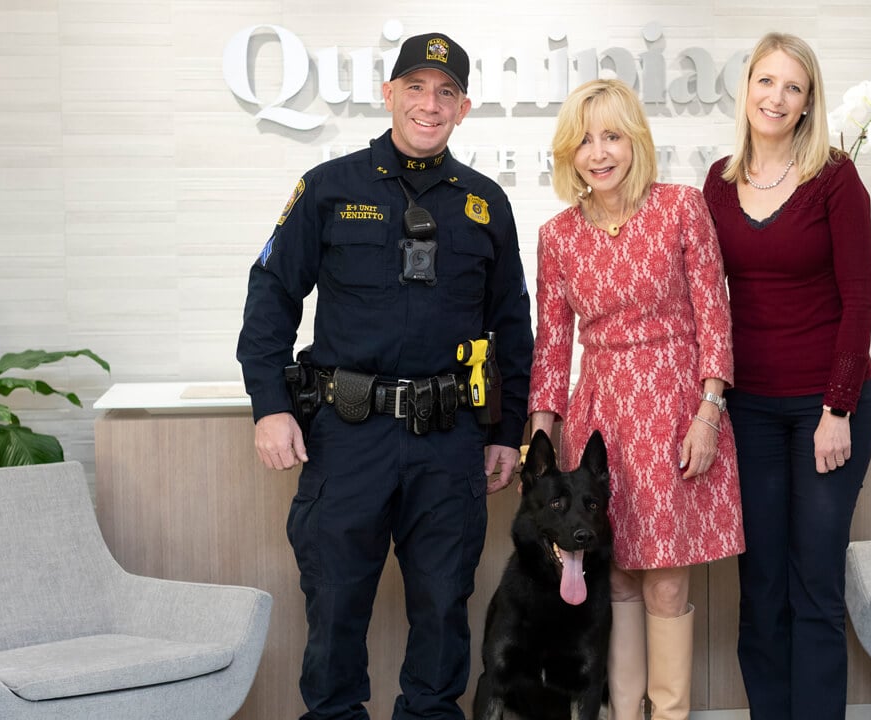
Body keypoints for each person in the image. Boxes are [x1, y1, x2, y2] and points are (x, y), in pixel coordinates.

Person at [235, 32, 533, 720]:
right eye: (417, 87)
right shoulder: (329, 187)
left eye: (446, 92)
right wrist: (270, 405)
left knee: (441, 608)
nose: (430, 104)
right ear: (388, 93)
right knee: (335, 604)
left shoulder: (486, 204)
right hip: (347, 435)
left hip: (449, 438)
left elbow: (513, 328)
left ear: (463, 108)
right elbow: (272, 294)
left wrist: (506, 434)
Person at [528, 78, 744, 720]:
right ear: (569, 153)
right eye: (585, 140)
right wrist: (541, 442)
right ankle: (624, 713)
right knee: (614, 574)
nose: (600, 152)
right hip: (599, 421)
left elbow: (716, 319)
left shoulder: (681, 208)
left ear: (637, 141)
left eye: (613, 136)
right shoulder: (557, 235)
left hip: (675, 413)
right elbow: (550, 346)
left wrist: (709, 413)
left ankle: (669, 714)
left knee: (668, 579)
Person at [701, 32, 871, 720]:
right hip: (750, 410)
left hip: (824, 411)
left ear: (809, 104)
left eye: (793, 87)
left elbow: (859, 297)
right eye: (765, 82)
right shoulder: (717, 183)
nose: (776, 97)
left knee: (815, 588)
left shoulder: (835, 178)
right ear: (746, 90)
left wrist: (837, 408)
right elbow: (702, 297)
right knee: (762, 586)